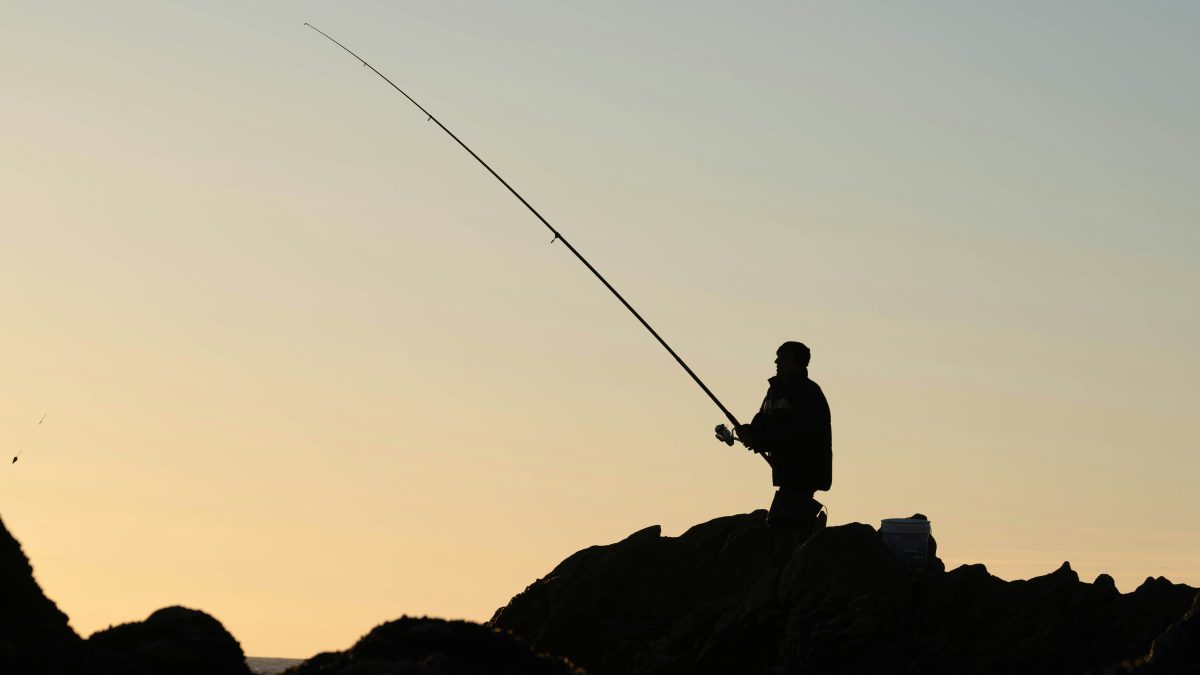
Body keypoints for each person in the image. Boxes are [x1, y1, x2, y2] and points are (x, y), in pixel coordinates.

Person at [737, 341, 832, 544]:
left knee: (784, 528)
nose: (776, 361)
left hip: (804, 473)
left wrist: (759, 440)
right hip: (787, 475)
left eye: (783, 357)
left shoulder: (809, 393)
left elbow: (797, 435)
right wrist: (749, 431)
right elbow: (763, 421)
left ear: (798, 362)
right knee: (781, 526)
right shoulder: (775, 391)